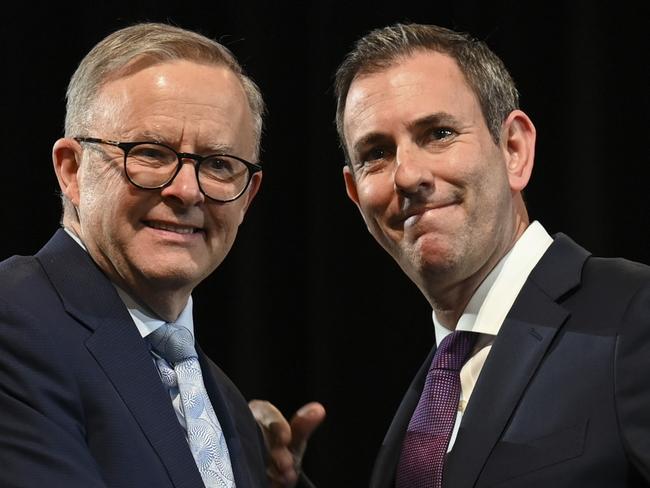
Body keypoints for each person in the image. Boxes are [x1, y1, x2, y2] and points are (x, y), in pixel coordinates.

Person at [255, 23, 650, 487]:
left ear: (514, 151)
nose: (407, 175)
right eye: (376, 153)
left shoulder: (633, 314)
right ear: (354, 194)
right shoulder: (432, 391)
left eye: (438, 133)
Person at [0, 22, 323, 488]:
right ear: (71, 170)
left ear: (248, 196)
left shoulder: (227, 408)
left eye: (218, 164)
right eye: (150, 153)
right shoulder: (14, 325)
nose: (187, 191)